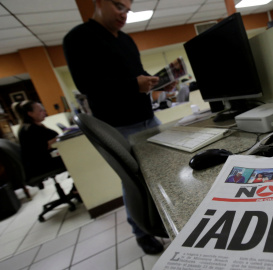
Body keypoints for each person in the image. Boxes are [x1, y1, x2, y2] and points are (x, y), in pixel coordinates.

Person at [63, 0, 165, 254]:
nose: (124, 14)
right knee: (134, 183)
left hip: (148, 118)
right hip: (119, 127)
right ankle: (141, 232)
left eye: (128, 10)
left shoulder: (127, 40)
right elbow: (89, 86)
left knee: (163, 170)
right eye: (119, 6)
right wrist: (134, 85)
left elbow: (136, 74)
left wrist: (149, 81)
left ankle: (166, 215)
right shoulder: (78, 38)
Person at [12, 101, 67, 179]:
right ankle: (76, 189)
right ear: (30, 113)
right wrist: (59, 137)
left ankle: (76, 188)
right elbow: (43, 147)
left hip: (44, 161)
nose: (44, 112)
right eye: (40, 111)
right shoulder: (29, 130)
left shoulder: (35, 126)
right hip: (40, 165)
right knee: (73, 156)